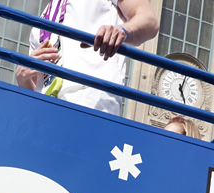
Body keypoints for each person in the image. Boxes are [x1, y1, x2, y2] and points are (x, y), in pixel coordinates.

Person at [16, 0, 158, 115]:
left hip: (90, 96)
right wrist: (23, 79)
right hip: (46, 110)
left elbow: (149, 21)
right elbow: (35, 90)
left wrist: (122, 30)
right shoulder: (40, 23)